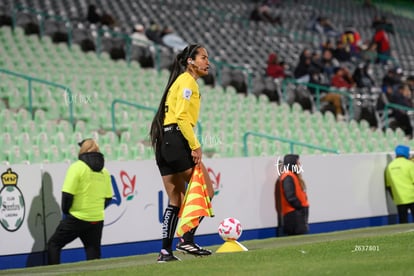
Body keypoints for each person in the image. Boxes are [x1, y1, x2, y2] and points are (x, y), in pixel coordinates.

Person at [149, 44, 214, 262]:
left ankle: (165, 251)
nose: (208, 62)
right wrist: (195, 145)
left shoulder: (178, 82)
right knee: (206, 191)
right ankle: (187, 240)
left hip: (163, 143)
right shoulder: (188, 82)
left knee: (175, 199)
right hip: (177, 140)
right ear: (190, 61)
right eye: (203, 57)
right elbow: (182, 118)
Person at [47, 139, 113, 265]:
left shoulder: (77, 167)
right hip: (97, 219)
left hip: (77, 217)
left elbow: (67, 195)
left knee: (54, 245)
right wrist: (95, 209)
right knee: (93, 253)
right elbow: (108, 198)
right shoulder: (104, 171)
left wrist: (67, 212)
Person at [275, 154, 309, 236]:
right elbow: (290, 196)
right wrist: (300, 206)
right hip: (294, 216)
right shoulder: (288, 177)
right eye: (297, 162)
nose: (299, 164)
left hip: (296, 214)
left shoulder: (291, 176)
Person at [385, 145, 414, 223]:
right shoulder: (410, 164)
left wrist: (394, 198)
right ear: (406, 153)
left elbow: (388, 185)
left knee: (403, 221)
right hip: (412, 196)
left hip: (399, 199)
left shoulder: (390, 166)